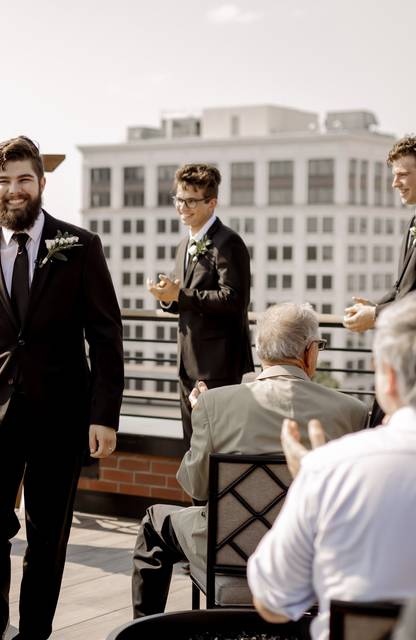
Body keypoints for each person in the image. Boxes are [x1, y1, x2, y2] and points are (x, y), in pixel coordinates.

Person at [0, 136, 124, 640]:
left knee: (47, 537)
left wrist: (103, 414)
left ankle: (34, 633)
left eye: (23, 179)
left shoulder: (81, 246)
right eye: (3, 181)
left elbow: (106, 334)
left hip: (61, 417)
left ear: (41, 183)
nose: (14, 189)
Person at [130, 302, 366, 617]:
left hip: (227, 550)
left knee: (153, 524)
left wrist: (202, 416)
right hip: (313, 556)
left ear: (260, 351)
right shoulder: (354, 412)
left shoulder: (216, 403)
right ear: (310, 353)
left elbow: (196, 487)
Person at [248, 294, 416, 640]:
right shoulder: (339, 441)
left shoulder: (329, 470)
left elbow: (271, 602)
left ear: (387, 377)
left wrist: (316, 478)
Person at [147, 163, 254, 450]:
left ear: (212, 203)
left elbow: (235, 300)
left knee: (218, 447)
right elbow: (185, 300)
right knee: (192, 447)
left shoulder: (229, 242)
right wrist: (167, 297)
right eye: (179, 199)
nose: (183, 207)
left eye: (191, 201)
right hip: (188, 364)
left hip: (219, 367)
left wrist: (180, 295)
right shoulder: (184, 244)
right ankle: (195, 498)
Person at [344, 135, 416, 428]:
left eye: (402, 174)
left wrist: (376, 315)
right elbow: (404, 288)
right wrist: (377, 306)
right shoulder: (413, 222)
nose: (394, 183)